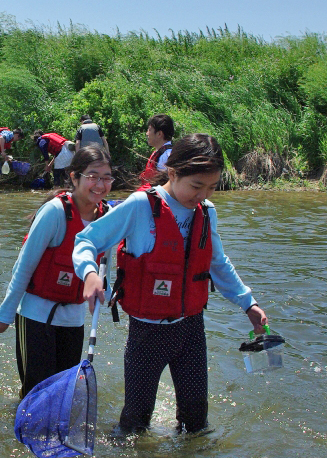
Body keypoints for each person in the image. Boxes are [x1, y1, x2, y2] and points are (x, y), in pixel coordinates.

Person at [75, 133, 268, 434]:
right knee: (135, 423)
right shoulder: (142, 205)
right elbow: (86, 241)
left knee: (196, 423)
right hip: (147, 333)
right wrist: (89, 273)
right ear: (174, 172)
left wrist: (248, 303)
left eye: (211, 187)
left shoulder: (206, 212)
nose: (203, 195)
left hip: (191, 329)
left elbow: (218, 263)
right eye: (196, 186)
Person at [0, 146, 113, 397]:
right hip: (36, 315)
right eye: (93, 176)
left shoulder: (108, 216)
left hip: (72, 319)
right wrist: (4, 316)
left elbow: (105, 267)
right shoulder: (54, 212)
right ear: (74, 177)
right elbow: (23, 268)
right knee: (35, 393)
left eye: (107, 177)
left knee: (64, 393)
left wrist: (102, 294)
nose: (100, 184)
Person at [0, 126, 24, 193]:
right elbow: (1, 138)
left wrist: (5, 156)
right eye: (18, 139)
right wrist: (2, 151)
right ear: (17, 135)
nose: (16, 140)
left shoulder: (7, 134)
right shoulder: (10, 134)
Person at [139, 114, 175, 184]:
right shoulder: (160, 153)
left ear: (159, 134)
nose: (147, 133)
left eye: (149, 130)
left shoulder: (167, 156)